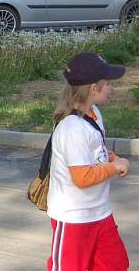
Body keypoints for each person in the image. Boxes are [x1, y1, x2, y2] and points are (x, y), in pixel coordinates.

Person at [46, 53, 131, 271]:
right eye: (108, 84)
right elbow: (82, 178)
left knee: (116, 264)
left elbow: (95, 150)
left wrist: (113, 158)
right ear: (93, 88)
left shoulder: (94, 114)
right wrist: (114, 168)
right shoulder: (71, 128)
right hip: (74, 217)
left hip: (100, 212)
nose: (111, 88)